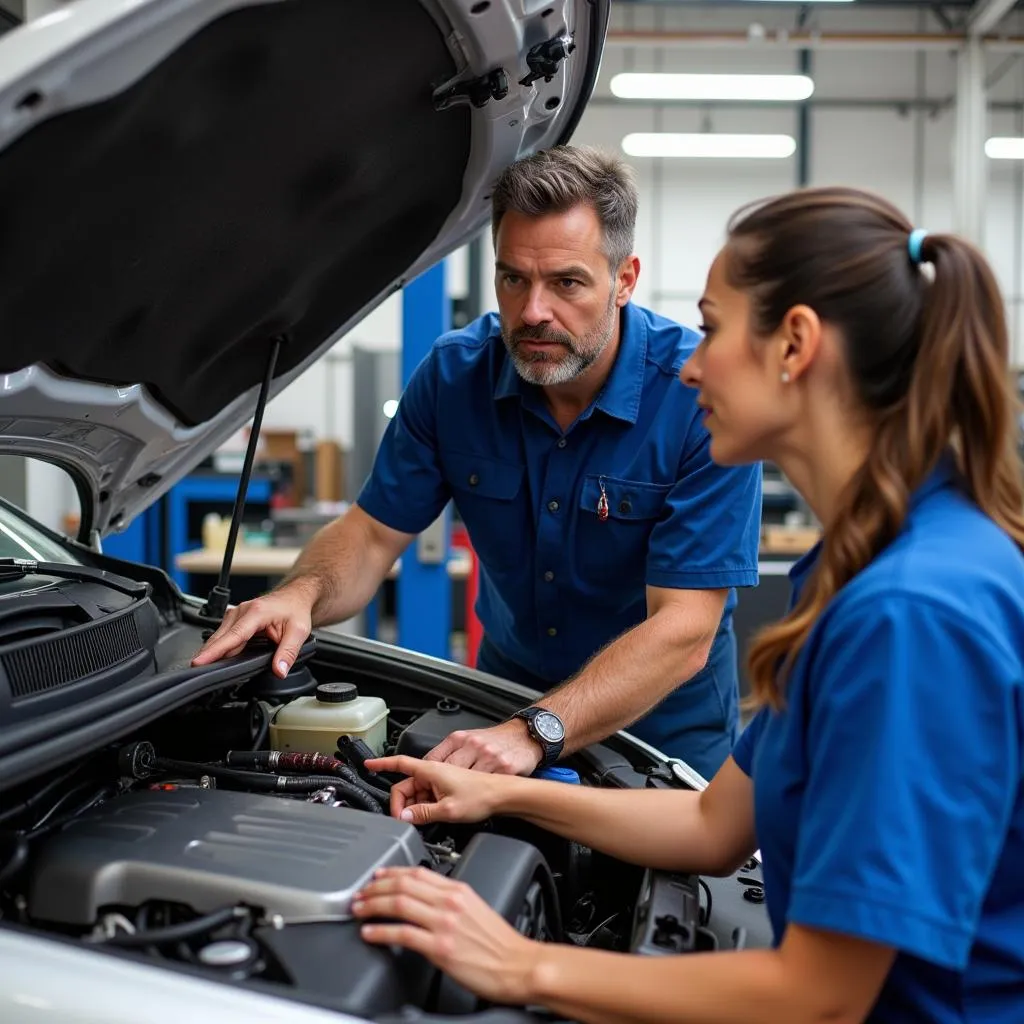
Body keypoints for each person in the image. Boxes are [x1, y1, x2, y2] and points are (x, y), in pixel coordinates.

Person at [346, 186, 1024, 1024]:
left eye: (711, 327)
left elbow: (820, 997)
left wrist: (521, 966)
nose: (692, 364)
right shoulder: (862, 565)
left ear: (796, 345)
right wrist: (501, 794)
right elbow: (713, 825)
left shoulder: (912, 612)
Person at [193, 146, 762, 781]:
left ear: (624, 280)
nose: (534, 311)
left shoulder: (695, 396)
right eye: (513, 278)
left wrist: (538, 730)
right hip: (503, 710)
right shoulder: (454, 376)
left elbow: (684, 628)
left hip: (659, 740)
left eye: (566, 282)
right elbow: (373, 532)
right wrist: (300, 595)